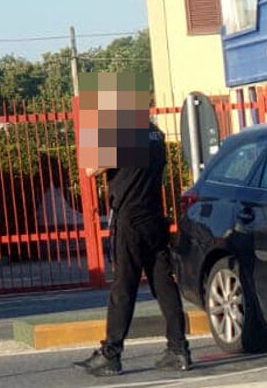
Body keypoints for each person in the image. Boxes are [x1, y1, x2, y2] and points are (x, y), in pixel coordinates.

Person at [74, 122, 191, 377]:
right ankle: (179, 348)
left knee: (123, 288)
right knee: (163, 283)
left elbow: (92, 168)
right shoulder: (155, 134)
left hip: (129, 218)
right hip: (153, 216)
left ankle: (111, 354)